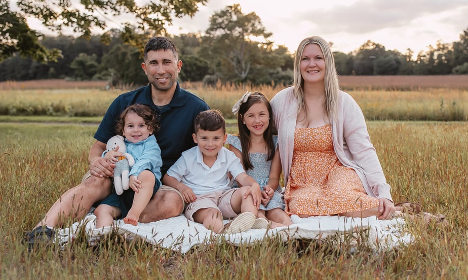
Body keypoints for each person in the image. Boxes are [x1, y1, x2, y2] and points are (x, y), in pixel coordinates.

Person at [25, 37, 209, 248]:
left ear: (178, 65)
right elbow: (98, 146)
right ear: (144, 68)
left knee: (173, 203)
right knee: (94, 181)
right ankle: (42, 230)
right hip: (115, 172)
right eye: (153, 63)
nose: (161, 70)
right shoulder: (124, 102)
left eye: (167, 62)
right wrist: (96, 161)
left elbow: (209, 152)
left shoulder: (196, 107)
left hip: (157, 184)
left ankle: (109, 220)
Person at [270, 36, 396, 220]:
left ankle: (395, 211)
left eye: (318, 58)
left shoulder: (344, 102)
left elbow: (364, 150)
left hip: (339, 174)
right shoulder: (282, 101)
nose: (311, 64)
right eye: (305, 59)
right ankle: (387, 211)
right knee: (300, 208)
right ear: (298, 64)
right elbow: (260, 132)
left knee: (342, 199)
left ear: (328, 62)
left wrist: (383, 192)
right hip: (303, 182)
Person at [162, 110, 265, 234]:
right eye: (204, 138)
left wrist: (254, 185)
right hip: (199, 200)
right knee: (213, 213)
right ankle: (223, 232)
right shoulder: (188, 157)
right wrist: (181, 188)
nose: (210, 144)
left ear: (224, 138)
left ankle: (249, 218)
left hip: (223, 196)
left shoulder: (228, 156)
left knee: (246, 192)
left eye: (216, 138)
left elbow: (242, 177)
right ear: (195, 138)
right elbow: (168, 177)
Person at [227, 91, 292, 228]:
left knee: (282, 217)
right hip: (245, 190)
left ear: (269, 116)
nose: (257, 121)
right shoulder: (236, 144)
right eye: (251, 116)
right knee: (256, 207)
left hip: (268, 190)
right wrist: (255, 191)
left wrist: (269, 190)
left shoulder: (276, 143)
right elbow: (240, 178)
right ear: (243, 119)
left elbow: (274, 177)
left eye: (262, 114)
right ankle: (263, 222)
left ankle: (279, 226)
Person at [94, 104, 162, 227]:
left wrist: (133, 174)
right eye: (130, 126)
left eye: (141, 125)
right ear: (124, 131)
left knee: (146, 175)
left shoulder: (151, 145)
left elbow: (146, 160)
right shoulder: (121, 143)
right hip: (121, 190)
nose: (136, 130)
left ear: (150, 129)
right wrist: (108, 155)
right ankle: (102, 235)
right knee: (101, 209)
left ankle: (134, 213)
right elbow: (111, 154)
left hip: (142, 187)